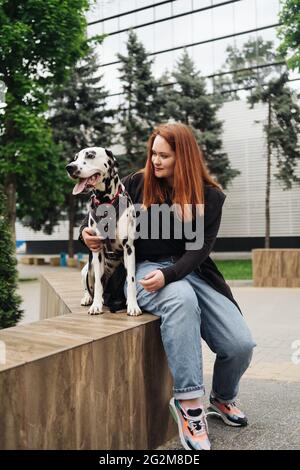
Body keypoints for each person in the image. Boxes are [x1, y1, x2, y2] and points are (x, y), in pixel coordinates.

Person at [80, 123, 256, 451]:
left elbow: (199, 250)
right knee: (181, 301)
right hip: (146, 268)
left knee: (240, 344)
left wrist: (171, 274)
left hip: (194, 270)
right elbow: (102, 214)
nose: (155, 161)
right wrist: (86, 235)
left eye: (163, 156)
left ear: (184, 158)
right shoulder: (135, 183)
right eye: (153, 153)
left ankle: (222, 397)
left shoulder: (210, 196)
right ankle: (189, 405)